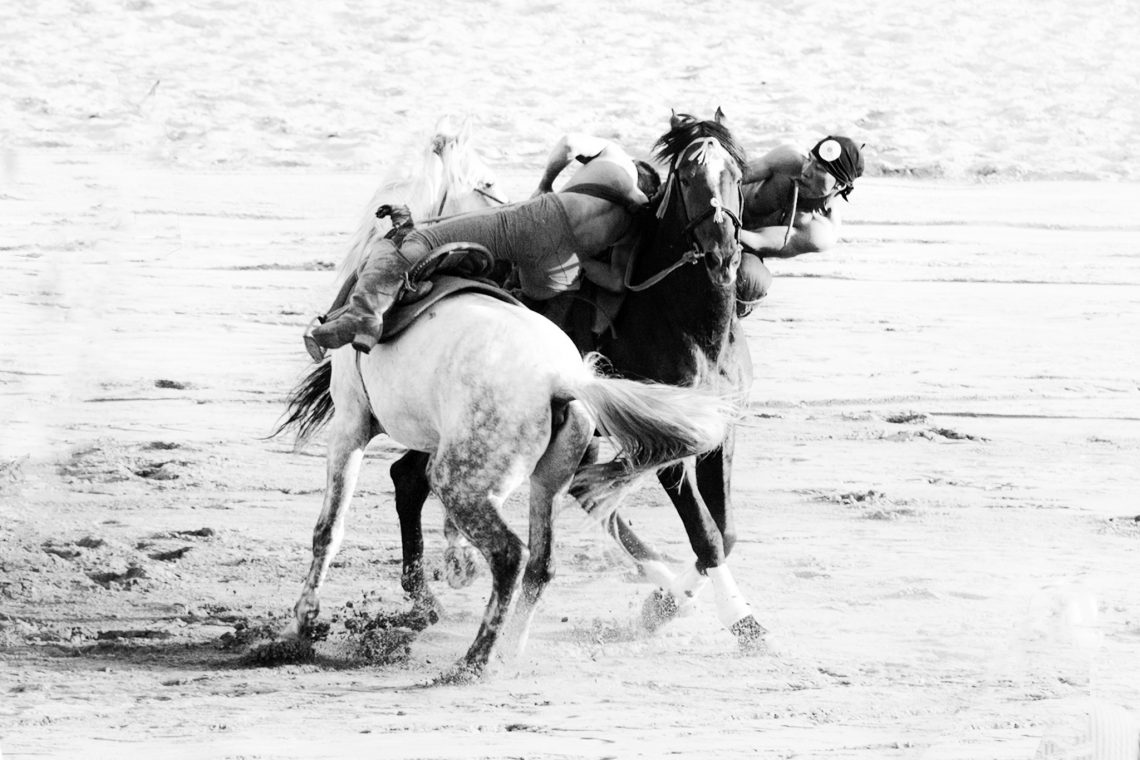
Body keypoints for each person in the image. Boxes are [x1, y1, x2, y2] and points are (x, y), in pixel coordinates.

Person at [306, 133, 659, 355]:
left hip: (540, 221)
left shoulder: (615, 157)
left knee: (419, 237)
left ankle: (362, 317)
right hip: (557, 275)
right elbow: (615, 281)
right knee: (513, 289)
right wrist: (579, 258)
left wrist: (545, 184)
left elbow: (568, 144)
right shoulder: (634, 224)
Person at [735, 135, 864, 314]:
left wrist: (718, 228)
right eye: (809, 159)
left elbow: (757, 240)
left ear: (840, 184)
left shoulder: (821, 231)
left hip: (741, 245)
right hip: (719, 208)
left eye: (818, 168)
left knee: (751, 281)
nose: (806, 170)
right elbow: (734, 175)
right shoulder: (789, 159)